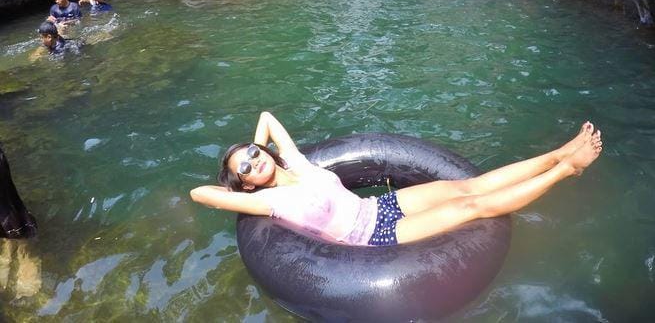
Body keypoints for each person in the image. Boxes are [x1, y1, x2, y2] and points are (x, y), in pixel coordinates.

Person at [190, 111, 603, 247]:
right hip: (370, 237)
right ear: (245, 186)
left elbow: (265, 118)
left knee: (466, 187)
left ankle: (560, 154)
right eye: (244, 169)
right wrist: (241, 182)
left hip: (379, 206)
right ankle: (567, 171)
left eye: (252, 154)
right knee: (471, 207)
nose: (252, 162)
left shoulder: (296, 165)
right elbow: (200, 192)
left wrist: (255, 150)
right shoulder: (267, 201)